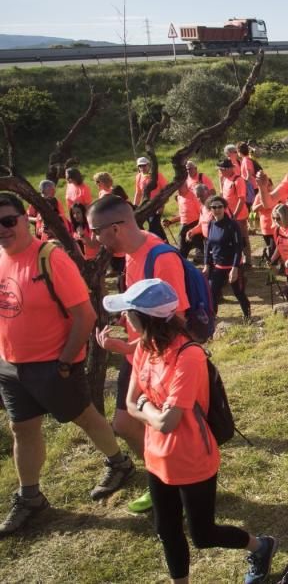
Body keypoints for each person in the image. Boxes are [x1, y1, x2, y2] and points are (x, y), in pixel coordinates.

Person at [106, 279, 276, 584]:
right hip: (156, 457)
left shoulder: (189, 356)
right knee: (166, 531)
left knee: (203, 534)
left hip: (192, 459)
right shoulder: (145, 346)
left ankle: (261, 546)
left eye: (128, 313)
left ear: (146, 317)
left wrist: (145, 406)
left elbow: (166, 421)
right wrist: (148, 408)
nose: (123, 320)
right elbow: (131, 403)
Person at [0, 194, 135, 537]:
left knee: (85, 417)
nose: (3, 230)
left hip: (52, 364)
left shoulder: (50, 258)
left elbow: (85, 315)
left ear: (24, 220)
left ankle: (119, 463)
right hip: (11, 366)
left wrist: (64, 362)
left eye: (8, 221)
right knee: (22, 429)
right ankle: (30, 496)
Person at [89, 194, 192, 514]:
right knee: (124, 422)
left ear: (116, 228)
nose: (92, 238)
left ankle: (181, 485)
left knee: (165, 430)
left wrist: (126, 347)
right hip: (139, 356)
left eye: (96, 231)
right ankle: (160, 479)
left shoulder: (160, 257)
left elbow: (178, 325)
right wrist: (128, 317)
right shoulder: (132, 253)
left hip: (159, 361)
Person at [203, 195, 251, 321]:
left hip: (233, 266)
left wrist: (235, 268)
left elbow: (238, 247)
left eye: (220, 207)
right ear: (210, 209)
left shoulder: (232, 225)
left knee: (239, 293)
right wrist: (206, 264)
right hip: (217, 267)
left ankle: (248, 316)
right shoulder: (211, 224)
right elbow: (208, 245)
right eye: (214, 207)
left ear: (224, 208)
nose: (217, 209)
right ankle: (213, 319)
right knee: (212, 293)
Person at [215, 159, 251, 265]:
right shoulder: (226, 180)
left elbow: (242, 199)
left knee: (242, 238)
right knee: (233, 238)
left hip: (239, 216)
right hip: (229, 215)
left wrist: (235, 215)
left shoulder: (238, 180)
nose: (220, 172)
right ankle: (238, 258)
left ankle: (248, 260)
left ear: (228, 169)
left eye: (221, 170)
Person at [133, 156, 168, 240]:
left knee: (153, 227)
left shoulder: (157, 175)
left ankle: (158, 245)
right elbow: (138, 193)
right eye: (140, 166)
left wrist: (161, 205)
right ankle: (166, 244)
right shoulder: (138, 177)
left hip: (157, 205)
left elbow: (166, 190)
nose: (142, 168)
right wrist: (134, 207)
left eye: (144, 165)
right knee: (156, 227)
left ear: (149, 165)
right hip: (146, 205)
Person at [269, 204, 288, 300]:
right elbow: (279, 247)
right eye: (274, 218)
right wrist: (272, 259)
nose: (276, 221)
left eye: (278, 218)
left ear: (285, 216)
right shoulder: (277, 230)